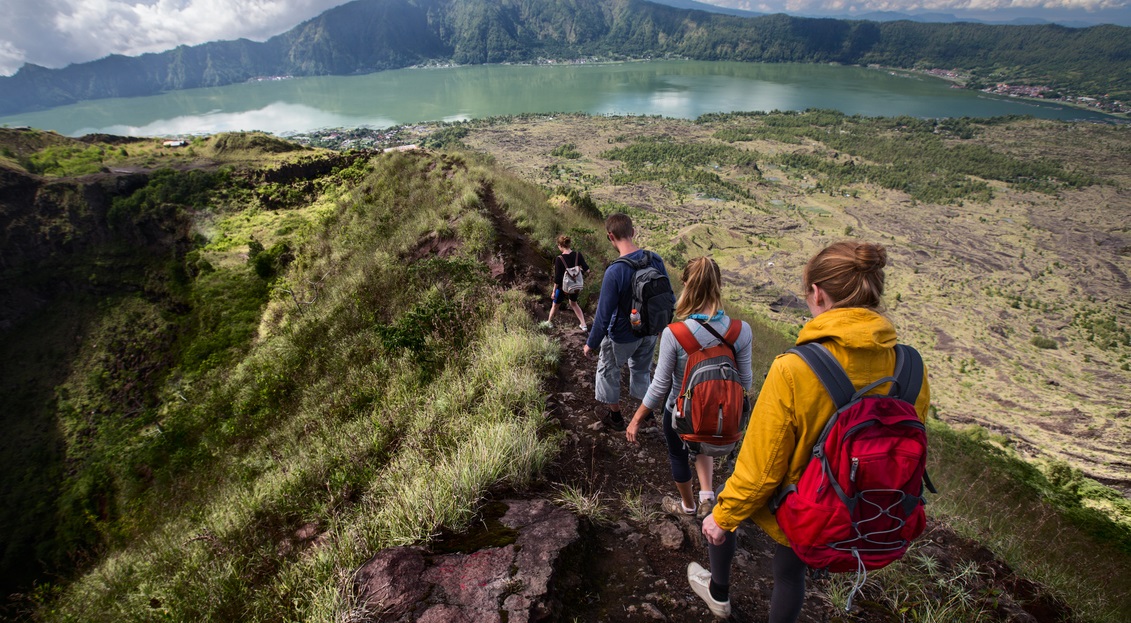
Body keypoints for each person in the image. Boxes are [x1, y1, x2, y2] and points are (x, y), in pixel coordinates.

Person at [689, 241, 931, 621]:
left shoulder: (795, 368)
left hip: (804, 505)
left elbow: (761, 468)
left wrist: (723, 519)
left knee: (726, 501)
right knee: (790, 572)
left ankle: (718, 593)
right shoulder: (910, 367)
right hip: (867, 509)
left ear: (817, 293)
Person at [625, 257, 753, 519]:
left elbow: (660, 385)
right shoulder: (742, 331)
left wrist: (636, 419)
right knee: (704, 437)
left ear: (685, 285)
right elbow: (747, 383)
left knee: (679, 455)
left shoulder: (675, 332)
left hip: (679, 414)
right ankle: (708, 496)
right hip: (720, 415)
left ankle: (688, 506)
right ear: (719, 285)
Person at [583, 213, 669, 432]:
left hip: (622, 335)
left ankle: (615, 416)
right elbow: (668, 299)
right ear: (633, 232)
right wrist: (661, 328)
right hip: (650, 332)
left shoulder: (615, 271)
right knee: (641, 371)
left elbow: (603, 315)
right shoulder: (655, 259)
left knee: (608, 369)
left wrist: (590, 344)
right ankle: (647, 418)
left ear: (611, 236)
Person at [547, 234, 590, 330]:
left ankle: (549, 322)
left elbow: (558, 278)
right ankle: (583, 324)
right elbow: (587, 270)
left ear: (560, 245)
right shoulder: (578, 255)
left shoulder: (559, 259)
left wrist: (553, 291)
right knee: (574, 303)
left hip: (563, 287)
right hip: (575, 285)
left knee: (555, 304)